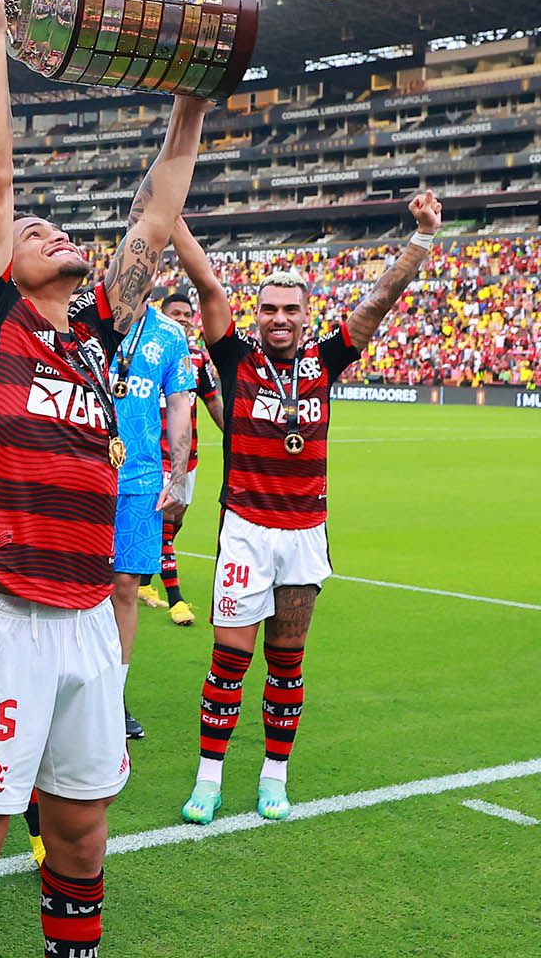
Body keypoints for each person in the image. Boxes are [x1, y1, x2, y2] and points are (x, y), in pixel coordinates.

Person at [0, 0, 209, 958]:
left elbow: (158, 210)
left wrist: (192, 98)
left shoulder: (96, 338)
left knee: (82, 839)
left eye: (57, 230)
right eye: (35, 235)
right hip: (5, 610)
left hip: (90, 616)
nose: (51, 233)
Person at [173, 194, 441, 825]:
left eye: (291, 309)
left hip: (304, 535)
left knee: (286, 662)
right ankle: (209, 778)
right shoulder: (234, 356)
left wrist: (424, 238)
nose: (280, 318)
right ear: (256, 316)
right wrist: (169, 215)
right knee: (228, 660)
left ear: (306, 314)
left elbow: (378, 302)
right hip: (244, 530)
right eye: (268, 308)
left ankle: (274, 776)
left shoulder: (326, 359)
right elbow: (206, 281)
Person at [106, 296, 196, 740]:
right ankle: (70, 692)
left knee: (125, 588)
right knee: (77, 587)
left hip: (140, 476)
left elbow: (180, 403)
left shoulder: (170, 333)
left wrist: (177, 477)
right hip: (81, 471)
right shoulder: (84, 312)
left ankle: (112, 699)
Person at [154, 289, 225, 626]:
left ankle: (141, 581)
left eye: (187, 313)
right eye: (176, 313)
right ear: (162, 315)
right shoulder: (146, 351)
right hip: (155, 457)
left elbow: (212, 401)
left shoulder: (197, 358)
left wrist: (238, 438)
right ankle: (175, 599)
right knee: (166, 526)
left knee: (175, 522)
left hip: (188, 458)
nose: (183, 318)